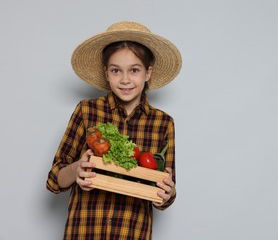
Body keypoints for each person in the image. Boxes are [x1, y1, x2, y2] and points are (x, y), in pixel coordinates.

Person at [46, 21, 182, 239]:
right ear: (106, 73)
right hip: (83, 232)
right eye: (116, 70)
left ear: (148, 73)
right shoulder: (86, 111)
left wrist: (167, 194)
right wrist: (77, 169)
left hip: (132, 233)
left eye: (134, 70)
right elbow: (54, 180)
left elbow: (165, 194)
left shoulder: (163, 123)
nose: (125, 79)